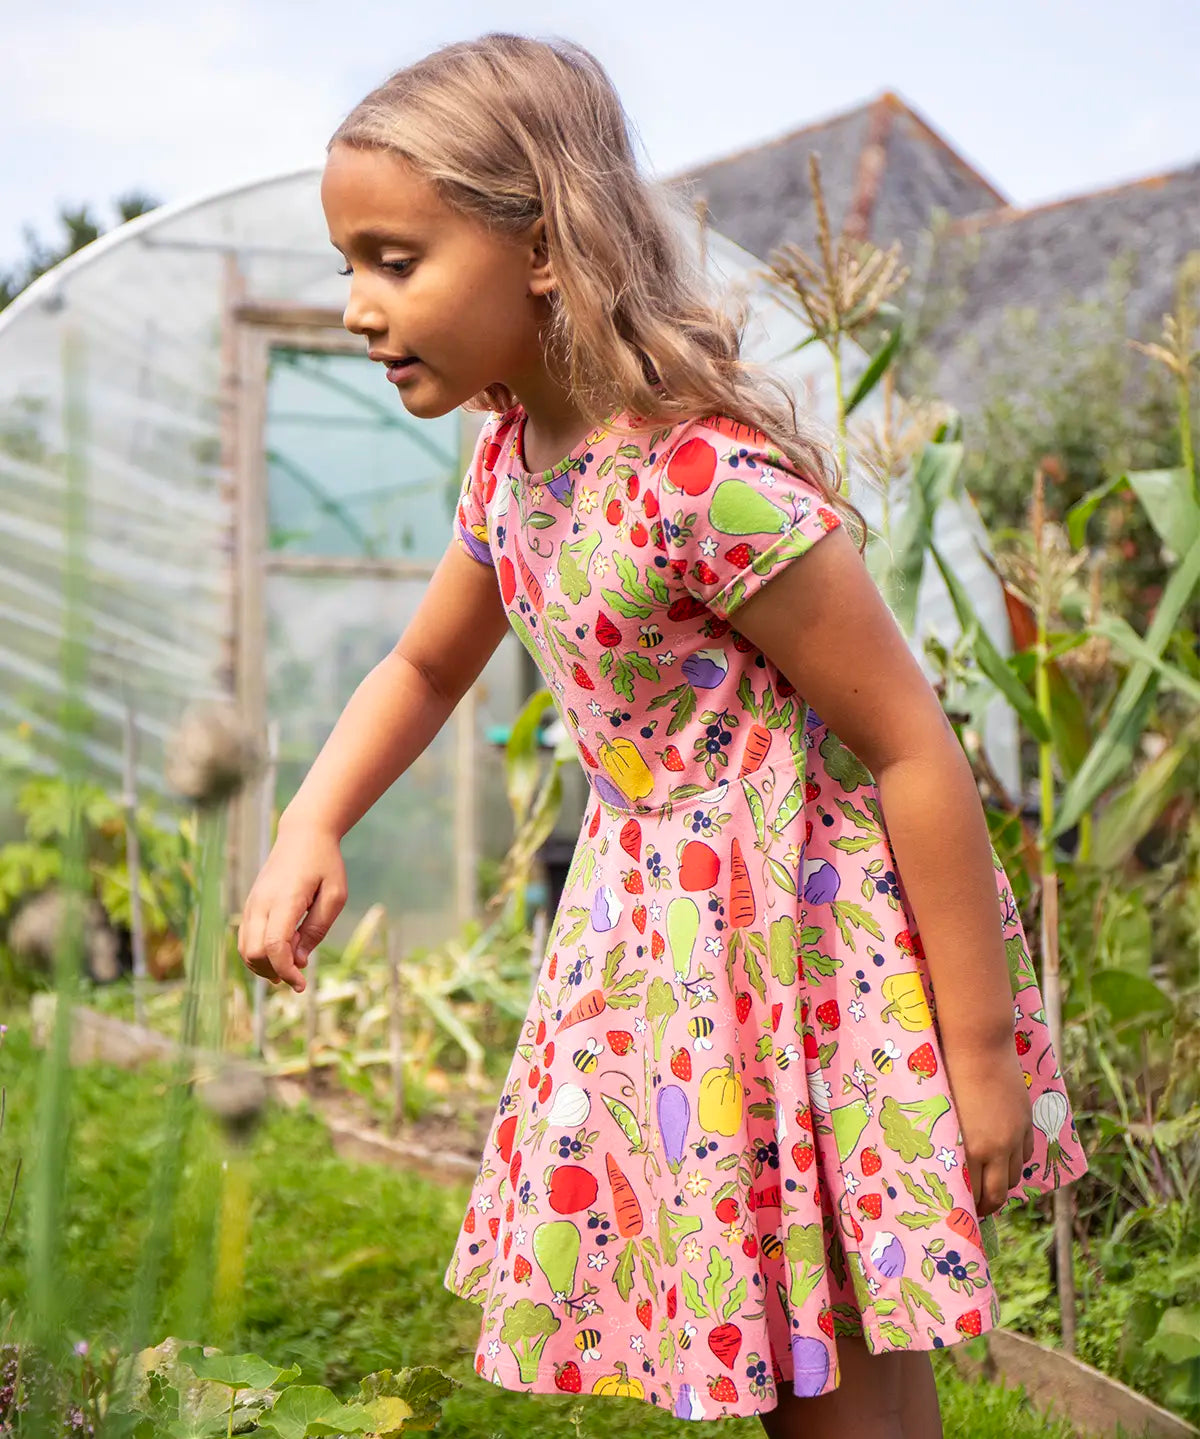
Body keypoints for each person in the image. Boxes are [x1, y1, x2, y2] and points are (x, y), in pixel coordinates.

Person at [237, 32, 1089, 1436]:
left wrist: (980, 1051)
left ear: (544, 248)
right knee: (786, 1358)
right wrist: (310, 819)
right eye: (349, 266)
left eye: (396, 260)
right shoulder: (510, 464)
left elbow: (913, 749)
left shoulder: (705, 480)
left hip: (807, 961)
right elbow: (421, 663)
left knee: (844, 1382)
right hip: (671, 952)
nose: (356, 308)